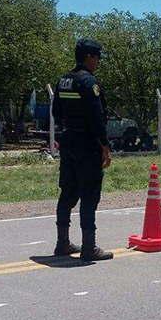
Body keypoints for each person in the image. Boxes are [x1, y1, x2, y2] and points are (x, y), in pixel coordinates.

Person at [52, 39, 113, 261]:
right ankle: (89, 247)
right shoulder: (88, 82)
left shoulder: (63, 81)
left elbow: (56, 112)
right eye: (97, 57)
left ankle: (62, 243)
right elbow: (97, 118)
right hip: (88, 145)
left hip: (68, 141)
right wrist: (105, 145)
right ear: (89, 57)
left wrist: (69, 128)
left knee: (68, 192)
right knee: (89, 194)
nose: (98, 62)